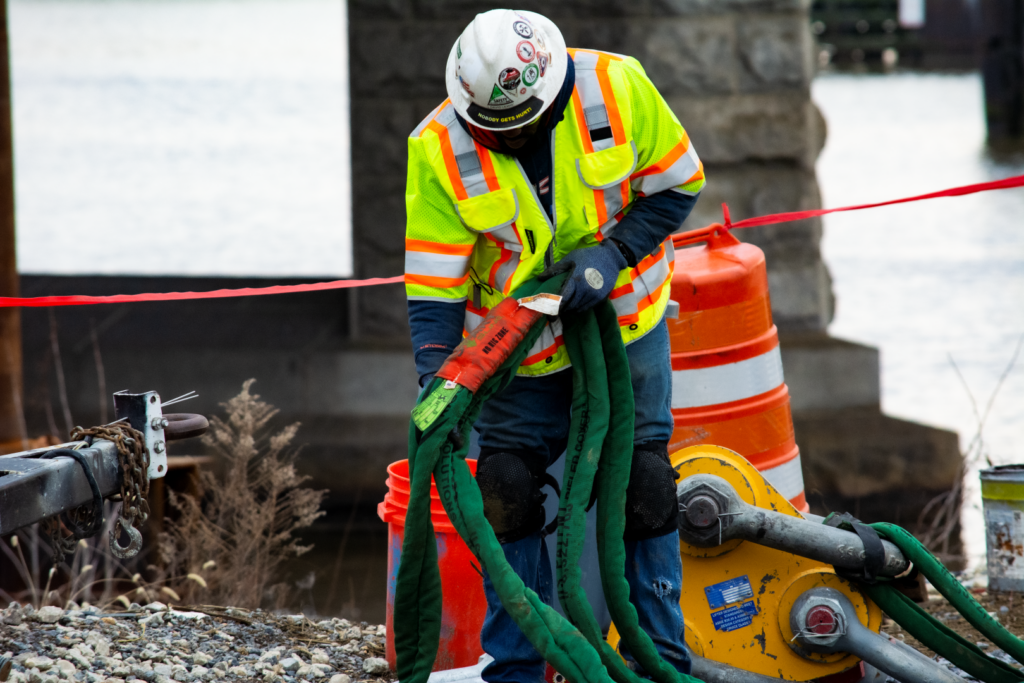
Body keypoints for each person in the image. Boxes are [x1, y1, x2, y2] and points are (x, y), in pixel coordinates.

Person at [404, 9, 705, 683]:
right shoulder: (437, 148)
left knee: (645, 487)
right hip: (520, 357)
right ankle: (517, 667)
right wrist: (440, 379)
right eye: (488, 129)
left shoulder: (617, 88)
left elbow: (679, 183)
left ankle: (657, 663)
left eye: (515, 129)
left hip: (624, 330)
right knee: (505, 491)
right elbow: (433, 289)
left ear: (553, 96)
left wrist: (613, 253)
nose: (500, 142)